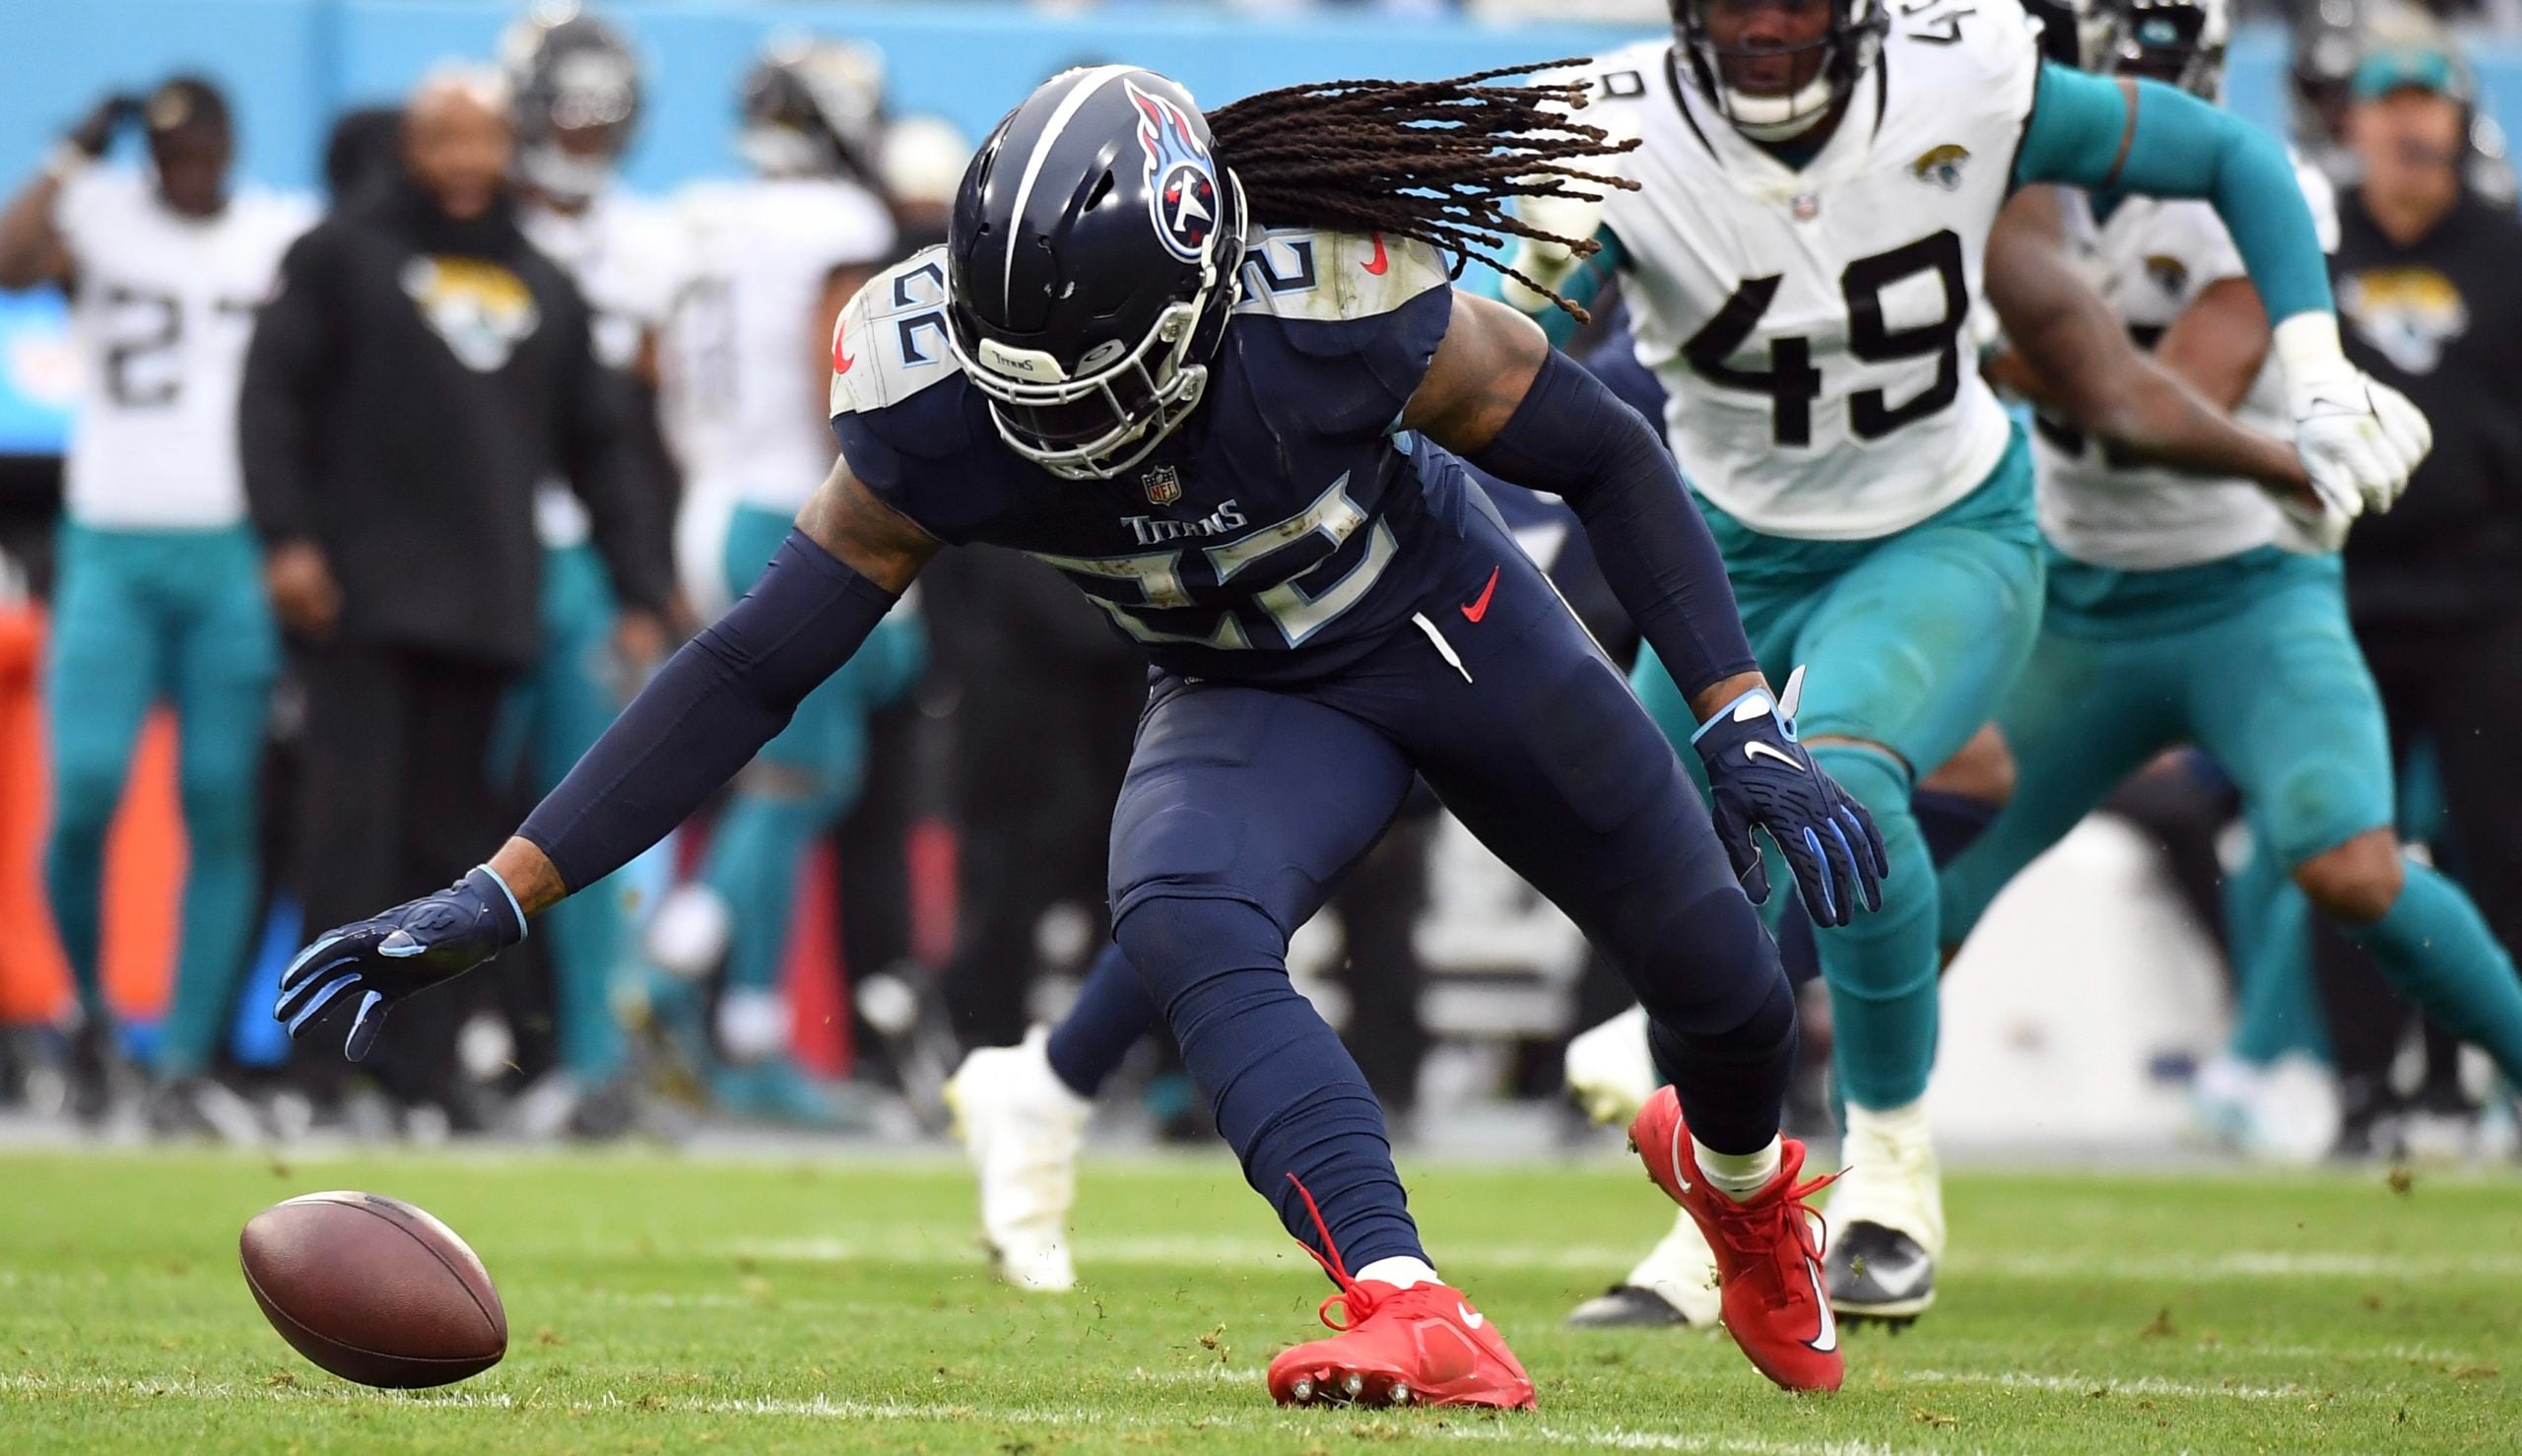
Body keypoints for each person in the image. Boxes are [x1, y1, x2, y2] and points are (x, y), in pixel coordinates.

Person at [272, 62, 1897, 1402]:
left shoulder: (1339, 302)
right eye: (1022, 383)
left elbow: (1609, 454)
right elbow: (755, 661)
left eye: (1097, 378)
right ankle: (1407, 1297)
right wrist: (504, 889)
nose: (1059, 423)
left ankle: (1749, 1194)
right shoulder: (925, 393)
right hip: (1245, 690)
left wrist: (1737, 713)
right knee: (1184, 915)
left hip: (1454, 633)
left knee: (1724, 990)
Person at [1500, 0, 2427, 1326]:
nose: (1766, 28)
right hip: (1719, 552)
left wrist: (2318, 368)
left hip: (1935, 525)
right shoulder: (1621, 126)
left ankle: (1889, 1179)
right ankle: (1729, 1221)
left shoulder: (1968, 71)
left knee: (1845, 790)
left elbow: (2231, 157)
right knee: (1673, 889)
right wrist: (1524, 287)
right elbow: (1511, 356)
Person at [1933, 0, 2522, 1168]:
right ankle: (1838, 1166)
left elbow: (2156, 406)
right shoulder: (2013, 182)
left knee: (2352, 861)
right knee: (1927, 874)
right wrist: (2053, 363)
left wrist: (2025, 355)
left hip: (2247, 592)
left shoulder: (2262, 190)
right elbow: (2094, 391)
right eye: (2119, 54)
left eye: (2162, 54)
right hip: (2080, 603)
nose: (2139, 79)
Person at [240, 67, 669, 1128]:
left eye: (481, 143)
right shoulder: (342, 255)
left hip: (484, 608)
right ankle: (316, 1068)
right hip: (357, 603)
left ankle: (424, 1068)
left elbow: (602, 447)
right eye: (442, 142)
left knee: (450, 847)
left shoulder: (542, 280)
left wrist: (641, 585)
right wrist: (287, 537)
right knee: (348, 827)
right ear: (409, 149)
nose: (463, 165)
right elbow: (269, 398)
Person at [0, 77, 311, 1132]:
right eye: (166, 151)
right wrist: (69, 152)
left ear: (228, 144)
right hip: (113, 544)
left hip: (230, 549)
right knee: (84, 786)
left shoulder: (275, 231)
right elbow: (9, 261)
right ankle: (89, 1007)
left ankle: (180, 1058)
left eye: (201, 147)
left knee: (221, 797)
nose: (185, 167)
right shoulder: (101, 214)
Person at [649, 35, 922, 1125]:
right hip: (787, 505)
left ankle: (752, 1025)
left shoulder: (705, 220)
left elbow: (658, 370)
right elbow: (840, 370)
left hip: (709, 499)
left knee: (777, 774)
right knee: (809, 778)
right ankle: (672, 967)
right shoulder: (835, 227)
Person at [2307, 38, 2522, 1157]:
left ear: (2457, 119)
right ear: (2351, 120)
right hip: (2339, 588)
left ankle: (2512, 1076)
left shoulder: (2507, 244)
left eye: (2425, 104)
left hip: (2486, 594)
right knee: (2342, 844)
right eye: (2386, 103)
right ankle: (2359, 1086)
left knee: (2507, 844)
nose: (2406, 126)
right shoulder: (2307, 237)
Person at [499, 5, 684, 1133]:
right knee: (433, 808)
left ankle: (586, 1053)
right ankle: (433, 1048)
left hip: (581, 550)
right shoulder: (463, 222)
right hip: (461, 552)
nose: (581, 138)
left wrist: (647, 577)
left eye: (599, 119)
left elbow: (657, 423)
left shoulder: (654, 242)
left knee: (580, 820)